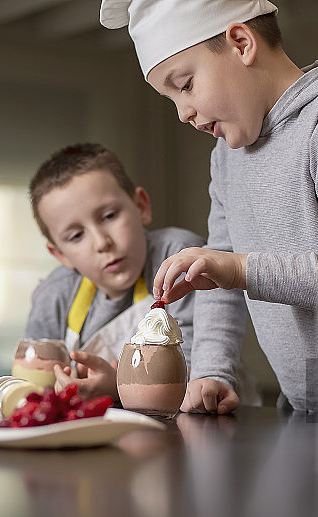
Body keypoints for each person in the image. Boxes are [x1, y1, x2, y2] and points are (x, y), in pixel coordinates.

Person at [99, 0, 318, 412]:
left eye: (185, 85)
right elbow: (217, 268)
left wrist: (238, 270)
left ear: (241, 43)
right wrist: (211, 371)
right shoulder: (227, 156)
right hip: (308, 404)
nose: (183, 113)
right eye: (170, 98)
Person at [24, 142, 214, 403]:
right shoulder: (54, 295)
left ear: (141, 207)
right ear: (60, 254)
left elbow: (196, 376)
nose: (102, 243)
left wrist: (118, 389)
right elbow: (31, 384)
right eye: (77, 235)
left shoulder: (179, 259)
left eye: (110, 216)